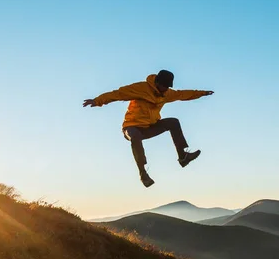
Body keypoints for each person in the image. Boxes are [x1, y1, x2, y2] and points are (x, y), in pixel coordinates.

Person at [83, 70, 214, 187]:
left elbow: (182, 94)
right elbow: (118, 94)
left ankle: (183, 157)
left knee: (173, 122)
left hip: (150, 127)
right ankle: (143, 173)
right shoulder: (141, 88)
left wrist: (202, 93)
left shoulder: (167, 93)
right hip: (131, 126)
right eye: (163, 86)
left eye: (167, 87)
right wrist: (97, 101)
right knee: (135, 136)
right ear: (156, 82)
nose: (165, 90)